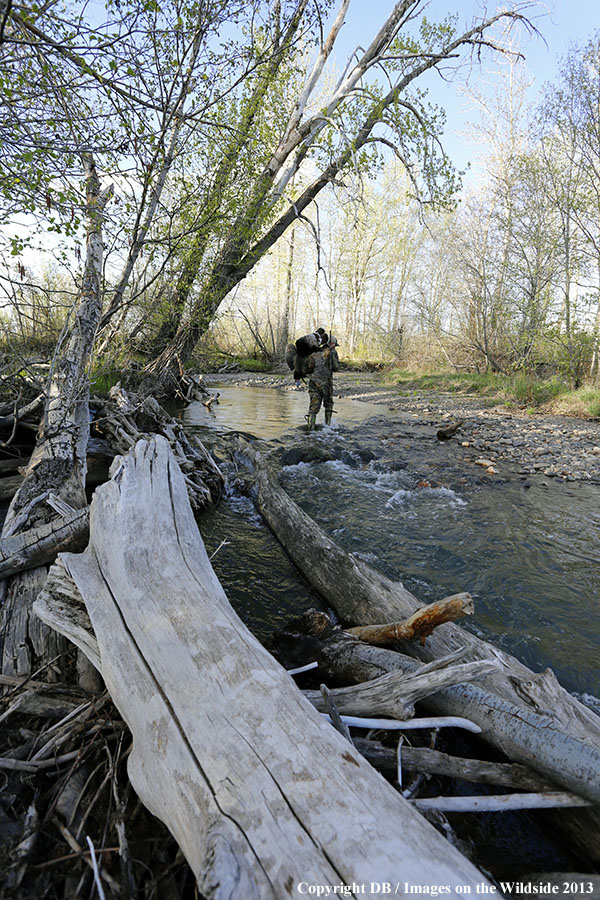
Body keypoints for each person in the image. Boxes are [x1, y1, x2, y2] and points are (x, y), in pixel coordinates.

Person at [306, 333, 339, 430]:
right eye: (335, 345)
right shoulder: (332, 352)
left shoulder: (313, 351)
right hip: (326, 383)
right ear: (332, 343)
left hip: (312, 382)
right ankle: (327, 427)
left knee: (313, 407)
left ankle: (310, 429)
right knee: (328, 404)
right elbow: (336, 367)